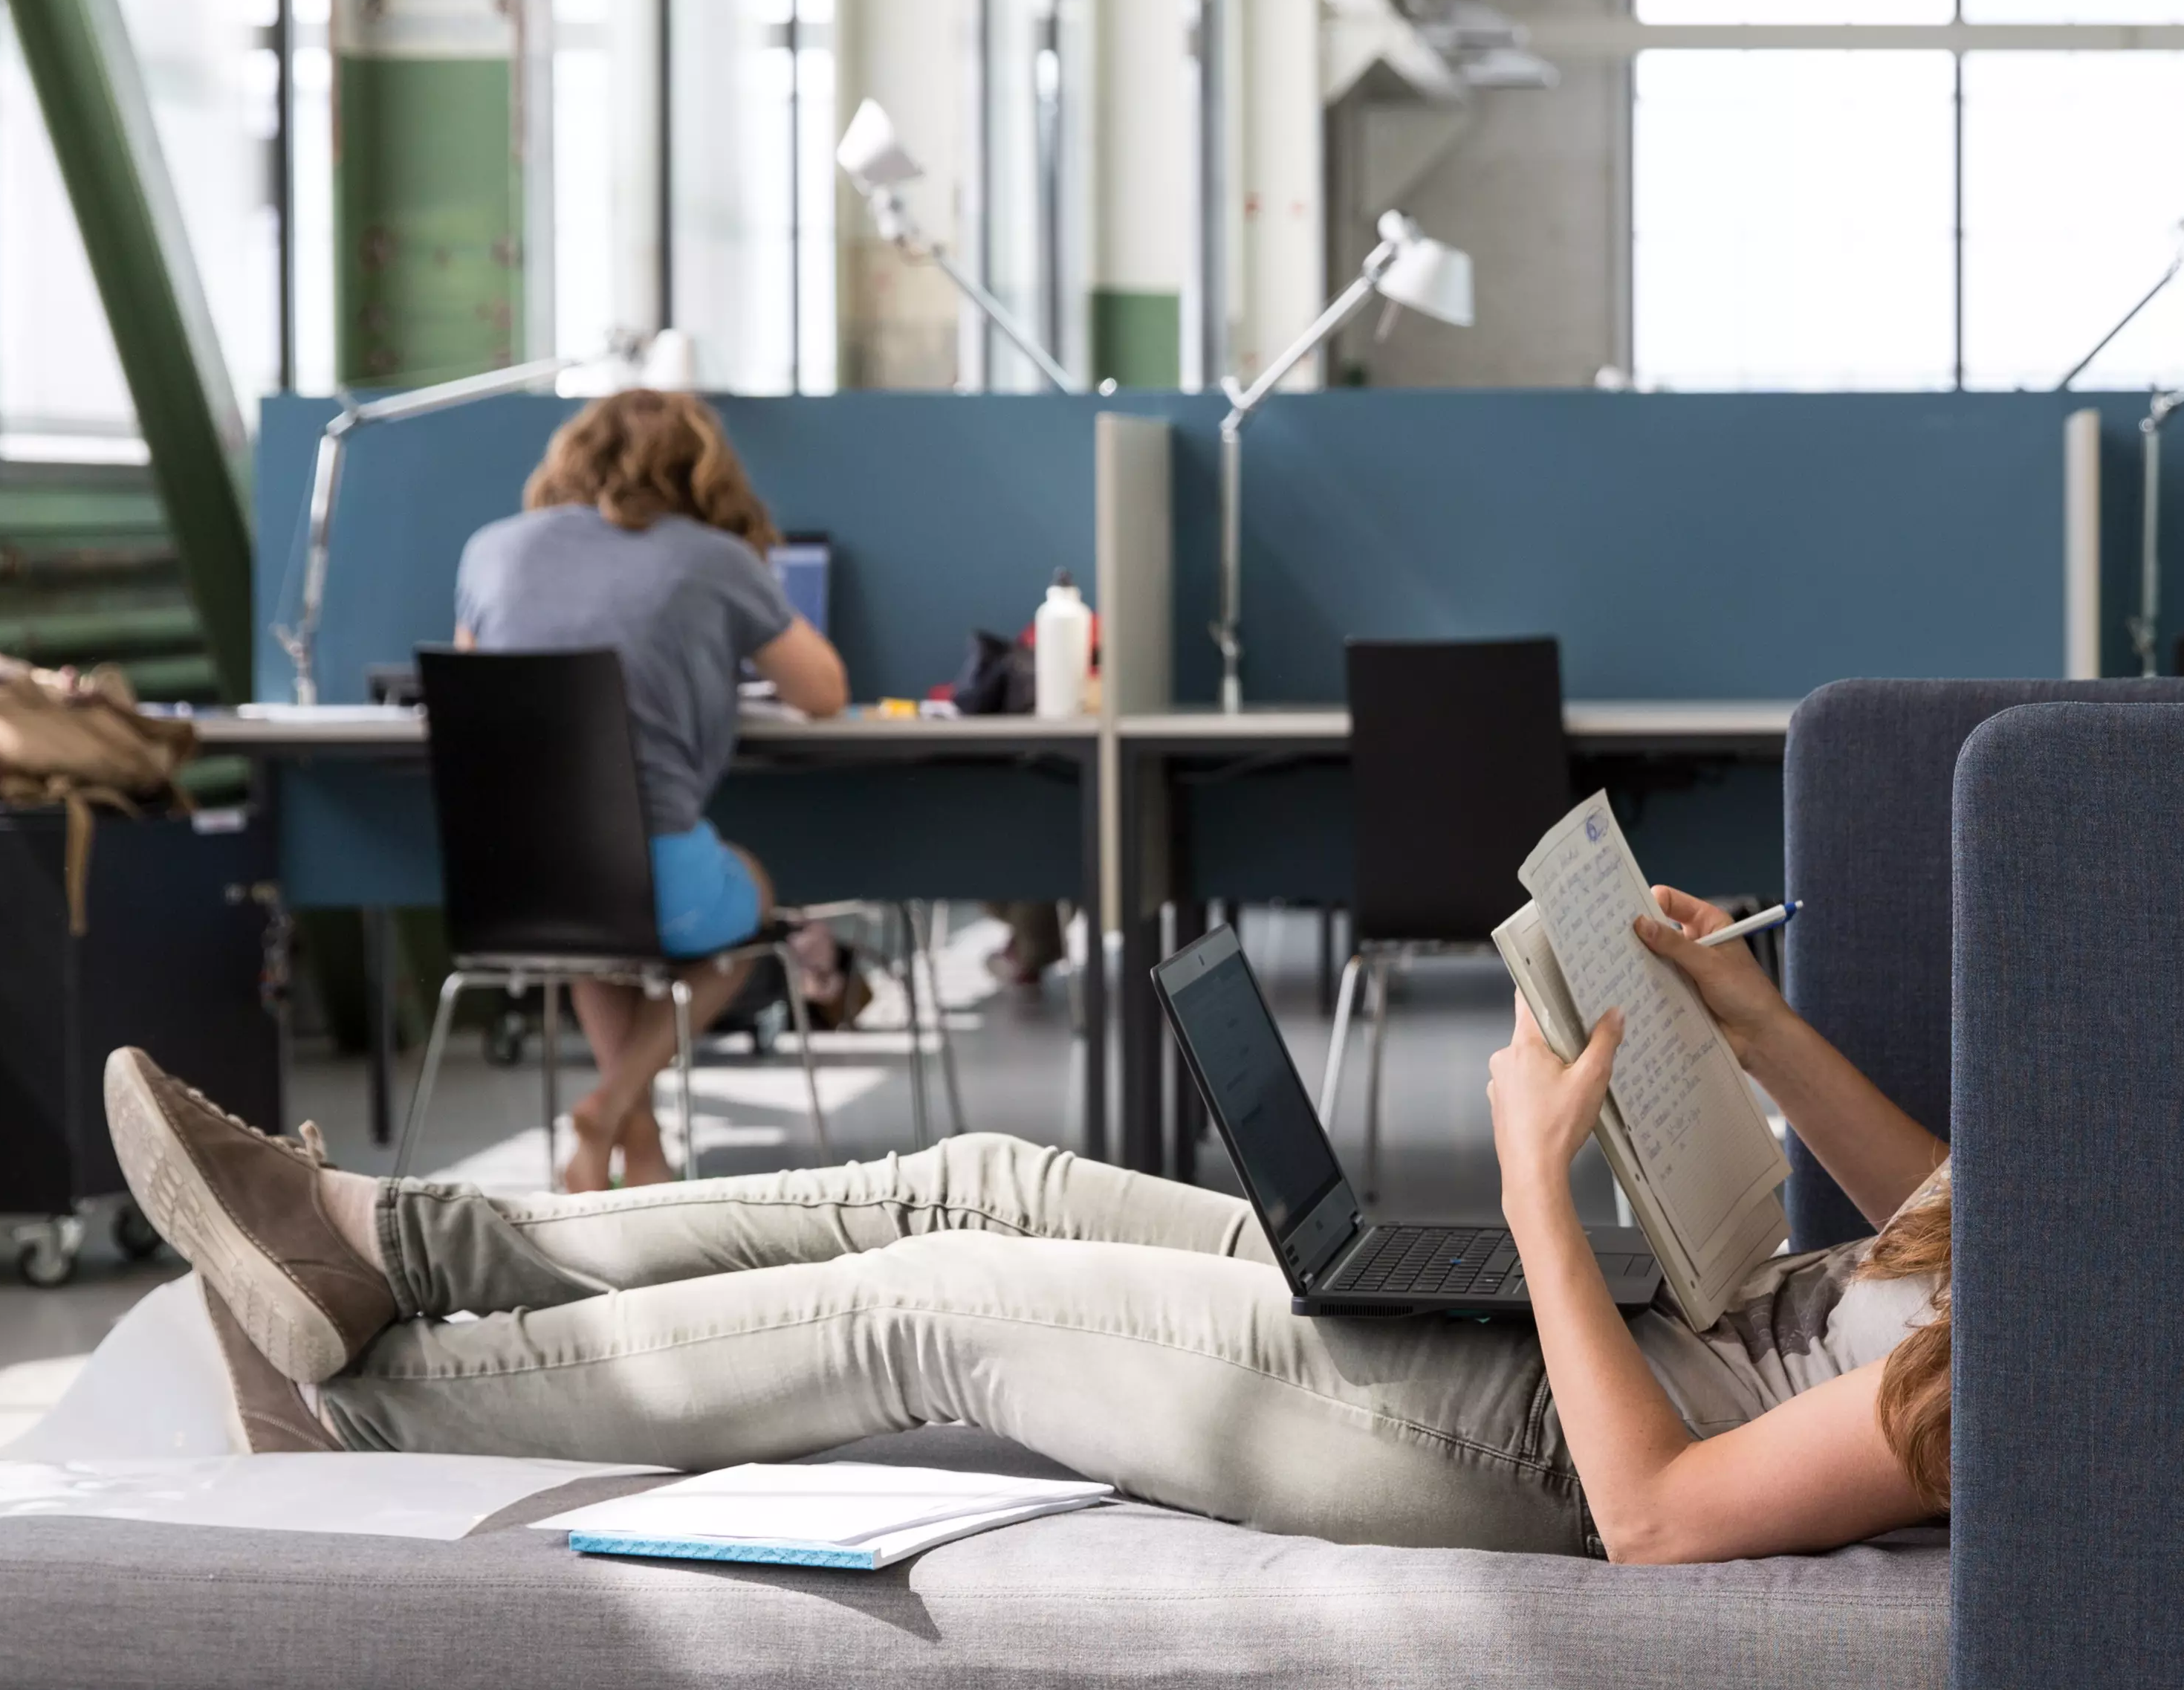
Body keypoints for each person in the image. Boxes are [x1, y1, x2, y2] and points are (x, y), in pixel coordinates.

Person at [108, 885, 1951, 1565]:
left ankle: (363, 1409)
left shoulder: (2027, 1392)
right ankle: (391, 1245)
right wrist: (1756, 1024)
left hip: (1543, 1433)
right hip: (1591, 1327)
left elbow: (1648, 1517)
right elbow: (1928, 1217)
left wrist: (1536, 1209)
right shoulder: (2105, 1230)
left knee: (943, 1301)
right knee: (986, 1173)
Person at [454, 389, 850, 1192]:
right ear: (701, 469)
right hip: (655, 878)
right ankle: (609, 1106)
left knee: (590, 923)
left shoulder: (490, 549)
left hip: (517, 877)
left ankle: (639, 1145)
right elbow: (823, 691)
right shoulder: (715, 557)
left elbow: (474, 677)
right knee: (748, 903)